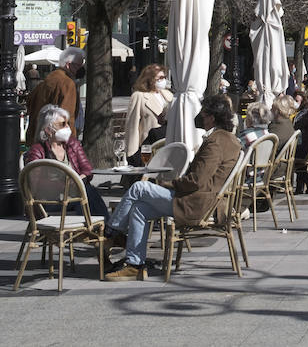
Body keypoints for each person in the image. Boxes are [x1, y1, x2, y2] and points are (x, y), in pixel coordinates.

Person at [103, 94, 241, 280]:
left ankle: (111, 233)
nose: (201, 116)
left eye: (204, 113)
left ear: (211, 117)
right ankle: (135, 264)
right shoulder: (230, 140)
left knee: (139, 188)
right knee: (139, 209)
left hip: (197, 203)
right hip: (204, 200)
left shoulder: (215, 142)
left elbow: (197, 180)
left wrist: (167, 183)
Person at [25, 104, 108, 217]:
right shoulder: (38, 150)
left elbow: (87, 169)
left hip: (74, 194)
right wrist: (65, 185)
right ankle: (100, 229)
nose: (67, 127)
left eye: (67, 123)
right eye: (62, 124)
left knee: (88, 192)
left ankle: (99, 228)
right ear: (48, 130)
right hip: (50, 200)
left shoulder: (72, 144)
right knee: (87, 194)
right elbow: (34, 184)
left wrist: (79, 180)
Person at [25, 48, 83, 147]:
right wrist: (71, 145)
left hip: (38, 139)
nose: (81, 69)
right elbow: (66, 117)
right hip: (56, 143)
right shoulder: (68, 83)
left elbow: (30, 104)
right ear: (68, 64)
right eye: (79, 65)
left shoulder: (48, 79)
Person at [124, 63, 172, 164]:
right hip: (148, 147)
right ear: (150, 79)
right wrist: (131, 154)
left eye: (164, 77)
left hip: (168, 145)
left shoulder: (168, 95)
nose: (163, 80)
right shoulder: (139, 96)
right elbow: (132, 126)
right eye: (160, 77)